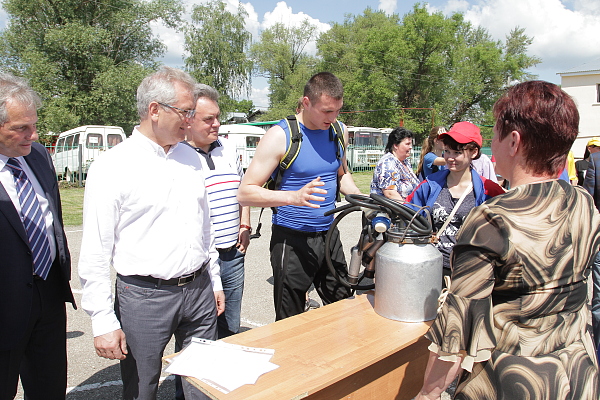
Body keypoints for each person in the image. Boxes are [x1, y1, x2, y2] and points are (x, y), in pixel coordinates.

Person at [415, 81, 599, 400]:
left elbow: (458, 333)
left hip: (515, 381)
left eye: (496, 135)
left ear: (514, 141)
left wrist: (427, 395)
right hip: (580, 376)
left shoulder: (491, 219)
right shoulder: (584, 203)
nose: (491, 145)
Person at [78, 67, 224, 400]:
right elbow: (96, 250)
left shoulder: (191, 158)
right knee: (142, 388)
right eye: (185, 112)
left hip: (199, 290)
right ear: (155, 110)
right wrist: (102, 318)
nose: (190, 120)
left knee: (200, 385)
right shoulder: (112, 166)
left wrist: (213, 278)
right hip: (144, 298)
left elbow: (205, 226)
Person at [237, 72, 361, 321]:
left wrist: (362, 198)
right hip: (291, 240)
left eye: (338, 110)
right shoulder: (280, 135)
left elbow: (342, 174)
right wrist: (293, 197)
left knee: (343, 309)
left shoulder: (339, 130)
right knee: (290, 319)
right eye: (327, 111)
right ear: (306, 102)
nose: (333, 117)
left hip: (329, 235)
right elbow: (245, 192)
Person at [0, 73, 75, 399]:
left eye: (34, 124)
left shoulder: (39, 156)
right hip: (4, 303)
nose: (34, 135)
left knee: (49, 389)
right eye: (21, 128)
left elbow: (52, 218)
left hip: (48, 294)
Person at [185, 83, 250, 339]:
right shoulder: (180, 155)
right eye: (208, 119)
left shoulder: (229, 148)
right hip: (201, 260)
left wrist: (244, 225)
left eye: (218, 117)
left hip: (233, 254)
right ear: (188, 120)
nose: (217, 124)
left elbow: (244, 190)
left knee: (231, 326)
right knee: (201, 330)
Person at [406, 122, 504, 279]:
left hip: (473, 274)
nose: (450, 158)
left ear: (473, 152)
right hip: (433, 269)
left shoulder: (489, 190)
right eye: (446, 151)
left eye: (457, 152)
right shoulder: (429, 185)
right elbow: (407, 213)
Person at [370, 127, 420, 200]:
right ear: (396, 145)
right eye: (407, 144)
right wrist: (409, 208)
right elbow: (390, 193)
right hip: (393, 209)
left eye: (411, 144)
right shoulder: (387, 163)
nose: (411, 147)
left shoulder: (405, 162)